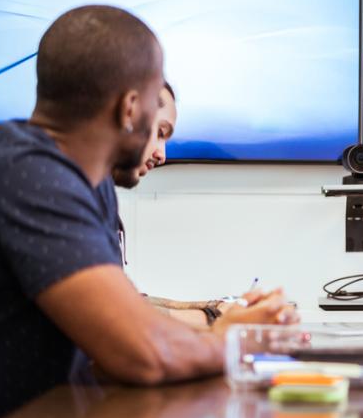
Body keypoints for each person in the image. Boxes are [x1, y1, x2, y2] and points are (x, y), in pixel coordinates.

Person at [0, 5, 295, 418]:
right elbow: (138, 353)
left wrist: (227, 326)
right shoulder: (29, 175)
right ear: (130, 108)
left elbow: (122, 323)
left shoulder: (82, 179)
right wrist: (234, 341)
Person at [112, 83, 292, 329]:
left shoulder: (96, 196)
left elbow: (126, 301)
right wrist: (216, 319)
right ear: (127, 114)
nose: (162, 155)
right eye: (160, 132)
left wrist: (214, 307)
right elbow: (122, 316)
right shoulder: (63, 195)